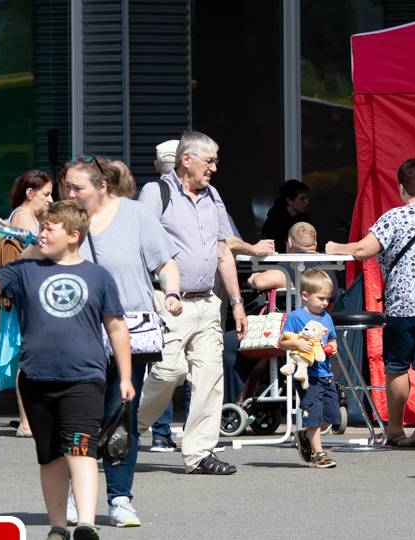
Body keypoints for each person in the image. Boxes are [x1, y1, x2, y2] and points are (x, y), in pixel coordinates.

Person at [0, 200, 134, 540]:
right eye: (41, 227)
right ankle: (58, 525)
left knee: (81, 449)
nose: (41, 234)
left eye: (49, 229)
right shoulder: (24, 270)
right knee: (50, 457)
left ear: (73, 235)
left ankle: (85, 524)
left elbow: (117, 326)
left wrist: (126, 377)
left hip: (84, 378)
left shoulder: (98, 276)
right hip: (36, 378)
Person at [60, 154, 181, 526]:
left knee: (120, 414)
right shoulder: (64, 219)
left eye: (77, 188)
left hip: (128, 330)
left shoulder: (136, 215)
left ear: (102, 186)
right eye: (66, 187)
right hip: (77, 331)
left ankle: (120, 498)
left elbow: (165, 263)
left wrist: (171, 293)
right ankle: (75, 495)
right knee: (79, 416)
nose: (70, 194)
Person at [327, 158, 415, 448]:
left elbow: (363, 250)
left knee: (397, 365)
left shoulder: (394, 218)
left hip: (405, 302)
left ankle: (396, 430)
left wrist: (334, 247)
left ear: (401, 187)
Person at [136, 131, 246, 475]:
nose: (214, 168)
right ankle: (128, 425)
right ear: (186, 160)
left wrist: (237, 302)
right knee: (169, 371)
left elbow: (223, 250)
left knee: (210, 377)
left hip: (207, 302)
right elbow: (139, 244)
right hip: (169, 301)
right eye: (209, 161)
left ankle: (199, 454)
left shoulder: (213, 196)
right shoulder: (156, 192)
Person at [5, 169, 55, 438]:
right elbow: (30, 256)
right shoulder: (24, 217)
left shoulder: (29, 216)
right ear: (30, 193)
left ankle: (30, 419)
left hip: (27, 292)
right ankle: (27, 421)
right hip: (27, 293)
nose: (50, 200)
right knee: (27, 356)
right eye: (45, 194)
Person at [278, 268, 340, 468]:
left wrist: (333, 345)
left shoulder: (327, 317)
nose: (325, 303)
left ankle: (305, 435)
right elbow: (282, 342)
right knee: (313, 415)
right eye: (321, 298)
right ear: (305, 296)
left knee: (330, 416)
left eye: (327, 298)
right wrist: (297, 344)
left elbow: (331, 337)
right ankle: (318, 453)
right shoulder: (296, 317)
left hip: (326, 373)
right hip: (307, 375)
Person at [248, 221, 341, 304]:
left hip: (295, 317)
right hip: (326, 316)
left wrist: (254, 276)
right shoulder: (327, 262)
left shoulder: (290, 264)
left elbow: (259, 282)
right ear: (315, 244)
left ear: (290, 243)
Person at [260, 179, 311, 253]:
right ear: (289, 200)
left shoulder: (304, 219)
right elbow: (274, 247)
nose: (307, 202)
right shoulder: (274, 221)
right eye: (302, 198)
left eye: (307, 198)